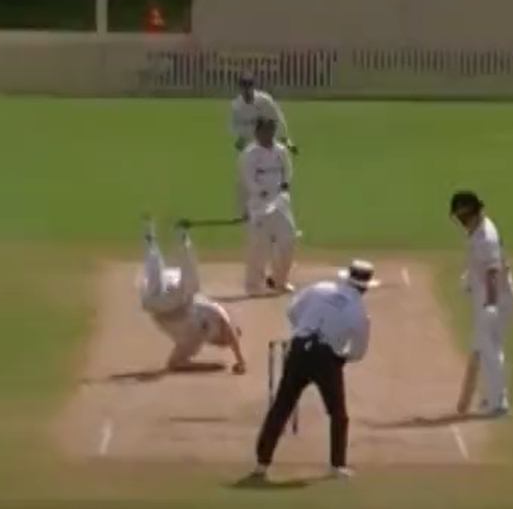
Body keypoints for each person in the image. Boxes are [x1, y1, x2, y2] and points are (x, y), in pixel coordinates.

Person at [246, 260, 379, 482]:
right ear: (364, 288)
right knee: (338, 414)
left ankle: (261, 464)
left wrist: (302, 333)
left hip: (299, 350)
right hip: (327, 358)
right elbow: (358, 351)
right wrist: (340, 358)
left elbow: (292, 311)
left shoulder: (319, 289)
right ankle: (337, 466)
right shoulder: (359, 312)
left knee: (281, 407)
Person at [139, 216, 247, 374]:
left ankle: (150, 237)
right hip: (177, 295)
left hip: (157, 307)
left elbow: (174, 364)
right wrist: (240, 359)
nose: (226, 341)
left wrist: (209, 367)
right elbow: (229, 328)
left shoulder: (194, 345)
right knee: (189, 285)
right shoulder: (216, 314)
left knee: (154, 273)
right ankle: (181, 237)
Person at [450, 191, 513, 417]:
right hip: (486, 296)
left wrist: (490, 304)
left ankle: (499, 402)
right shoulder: (477, 231)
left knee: (491, 349)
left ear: (471, 213)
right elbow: (479, 263)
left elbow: (492, 272)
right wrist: (469, 279)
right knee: (486, 347)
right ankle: (493, 395)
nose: (461, 222)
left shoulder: (486, 236)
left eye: (463, 217)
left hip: (496, 298)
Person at [238, 117, 298, 296]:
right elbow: (247, 178)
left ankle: (279, 280)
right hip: (260, 204)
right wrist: (259, 191)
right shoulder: (250, 154)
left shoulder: (280, 150)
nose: (269, 134)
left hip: (280, 202)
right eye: (265, 130)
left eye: (271, 130)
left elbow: (287, 169)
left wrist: (285, 183)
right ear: (257, 132)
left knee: (289, 239)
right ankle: (253, 286)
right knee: (259, 246)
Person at [231, 72, 297, 217]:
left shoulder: (265, 101)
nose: (247, 91)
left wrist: (286, 139)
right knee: (244, 178)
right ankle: (245, 212)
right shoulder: (237, 106)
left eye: (249, 87)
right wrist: (241, 138)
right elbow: (235, 127)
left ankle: (277, 210)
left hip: (267, 144)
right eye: (244, 87)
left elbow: (278, 119)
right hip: (249, 147)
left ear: (253, 87)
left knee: (272, 175)